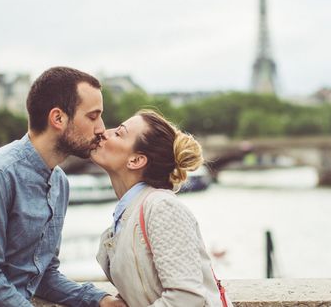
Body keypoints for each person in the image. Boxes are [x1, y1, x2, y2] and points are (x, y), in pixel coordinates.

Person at [0, 67, 126, 307]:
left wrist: (99, 299)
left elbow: (43, 276)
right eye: (93, 117)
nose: (101, 127)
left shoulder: (59, 182)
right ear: (58, 118)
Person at [92, 109, 231, 307]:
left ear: (136, 160)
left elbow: (186, 298)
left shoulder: (162, 207)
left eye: (119, 133)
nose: (104, 132)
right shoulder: (128, 212)